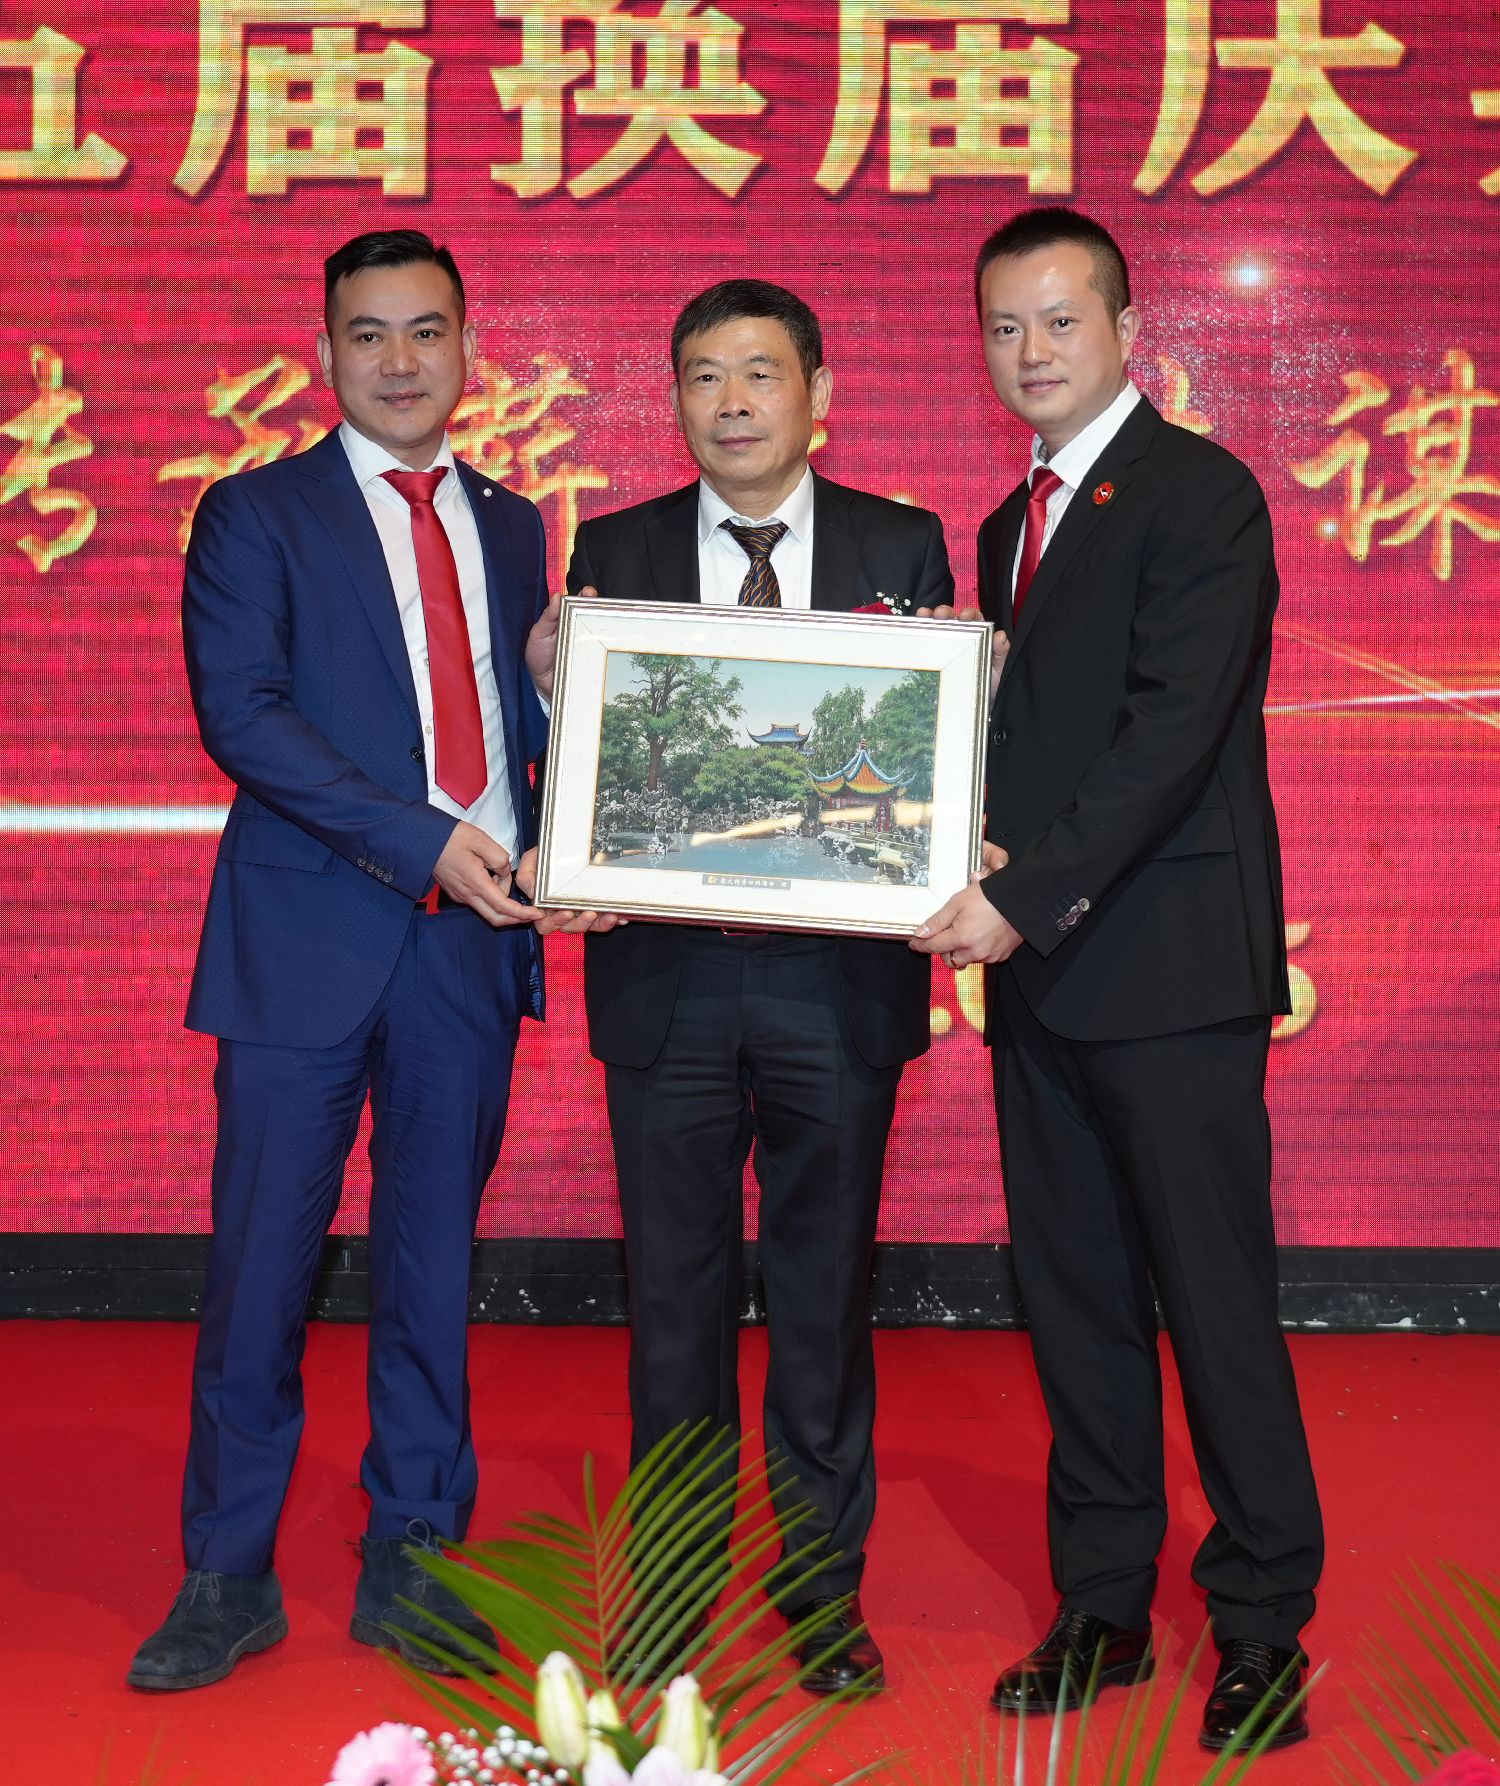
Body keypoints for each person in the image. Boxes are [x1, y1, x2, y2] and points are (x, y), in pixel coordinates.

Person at [912, 208, 1323, 1749]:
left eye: (1059, 320)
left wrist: (1021, 897)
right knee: (1075, 1300)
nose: (1030, 351)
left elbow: (1169, 735)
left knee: (1214, 1305)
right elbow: (1029, 741)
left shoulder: (1203, 494)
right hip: (1045, 984)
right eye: (1003, 327)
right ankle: (1103, 1603)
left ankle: (1263, 1621)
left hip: (1167, 974)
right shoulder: (1003, 525)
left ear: (1127, 328)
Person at [128, 230, 550, 1691]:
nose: (400, 361)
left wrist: (583, 837)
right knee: (261, 1273)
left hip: (468, 953)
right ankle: (227, 1572)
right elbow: (243, 717)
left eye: (427, 330)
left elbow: (523, 725)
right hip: (305, 943)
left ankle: (415, 1558)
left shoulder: (516, 524)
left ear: (468, 347)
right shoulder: (255, 513)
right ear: (325, 354)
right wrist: (426, 840)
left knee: (434, 1272)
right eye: (368, 334)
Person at [528, 278, 953, 1694]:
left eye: (761, 374)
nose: (732, 403)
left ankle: (822, 1589)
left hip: (841, 988)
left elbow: (940, 752)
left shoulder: (902, 544)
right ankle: (669, 1593)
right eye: (704, 376)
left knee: (826, 1298)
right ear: (676, 400)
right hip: (671, 984)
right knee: (675, 1302)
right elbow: (591, 757)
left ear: (817, 393)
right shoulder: (619, 546)